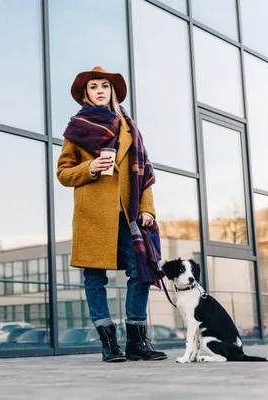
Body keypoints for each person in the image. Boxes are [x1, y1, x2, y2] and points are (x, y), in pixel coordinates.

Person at [57, 66, 167, 362]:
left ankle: (136, 342)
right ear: (86, 94)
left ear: (113, 91)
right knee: (94, 277)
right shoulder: (76, 129)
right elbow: (63, 173)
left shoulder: (130, 128)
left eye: (105, 85)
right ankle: (109, 344)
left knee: (141, 272)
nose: (100, 90)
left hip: (128, 212)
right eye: (94, 87)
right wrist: (89, 168)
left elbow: (145, 173)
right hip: (93, 213)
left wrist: (147, 208)